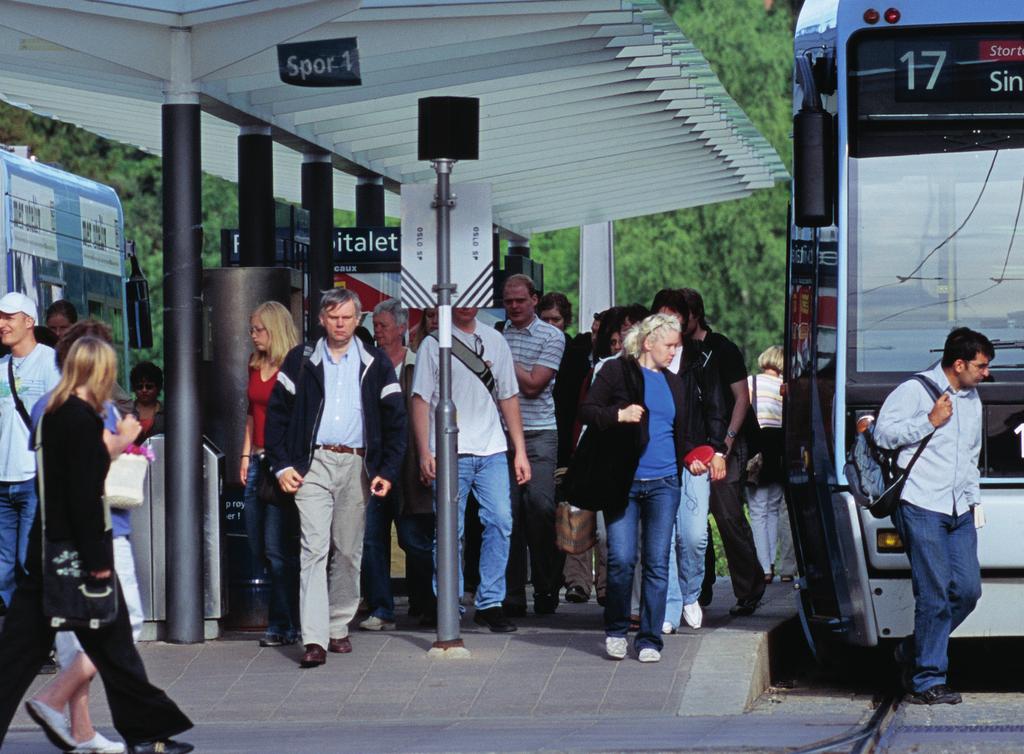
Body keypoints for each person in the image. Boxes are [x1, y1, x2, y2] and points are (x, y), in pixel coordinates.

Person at [0, 337, 194, 754]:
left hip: (49, 551)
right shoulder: (79, 418)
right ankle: (145, 734)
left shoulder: (56, 413)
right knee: (115, 648)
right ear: (98, 371)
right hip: (75, 557)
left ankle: (145, 734)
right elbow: (84, 492)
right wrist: (98, 561)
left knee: (22, 656)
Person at [264, 288, 406, 668]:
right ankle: (314, 639)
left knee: (347, 549)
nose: (340, 324)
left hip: (357, 465)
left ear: (358, 319)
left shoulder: (376, 363)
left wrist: (387, 471)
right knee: (313, 549)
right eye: (333, 317)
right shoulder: (301, 359)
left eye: (347, 317)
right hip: (313, 464)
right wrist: (281, 465)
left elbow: (396, 421)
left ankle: (338, 625)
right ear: (322, 320)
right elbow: (276, 416)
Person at [27, 320, 147, 754]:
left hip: (74, 534)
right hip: (98, 532)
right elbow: (86, 465)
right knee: (124, 622)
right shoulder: (77, 410)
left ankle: (79, 730)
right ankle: (53, 698)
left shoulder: (53, 405)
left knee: (78, 633)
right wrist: (123, 443)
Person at [578, 314, 723, 662]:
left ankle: (649, 639)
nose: (675, 351)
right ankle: (615, 629)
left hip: (664, 484)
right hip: (623, 482)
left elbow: (683, 434)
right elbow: (587, 410)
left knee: (657, 562)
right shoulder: (616, 372)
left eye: (677, 346)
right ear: (648, 342)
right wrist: (618, 415)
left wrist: (694, 459)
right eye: (670, 345)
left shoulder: (675, 384)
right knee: (623, 559)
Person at [875, 327, 990, 705]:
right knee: (935, 591)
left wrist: (974, 503)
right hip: (921, 504)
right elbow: (882, 435)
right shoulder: (913, 390)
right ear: (958, 364)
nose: (985, 373)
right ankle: (928, 679)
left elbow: (970, 455)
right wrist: (929, 420)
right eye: (981, 366)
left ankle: (912, 649)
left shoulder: (973, 398)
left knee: (968, 590)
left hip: (959, 507)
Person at [411, 306, 530, 632]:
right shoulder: (433, 344)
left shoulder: (495, 340)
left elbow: (508, 396)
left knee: (501, 521)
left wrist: (519, 450)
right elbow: (420, 400)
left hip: (492, 448)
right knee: (450, 531)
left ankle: (490, 602)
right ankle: (448, 602)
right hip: (450, 450)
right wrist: (425, 450)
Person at [679, 288, 766, 616]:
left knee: (727, 516)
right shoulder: (678, 351)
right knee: (693, 518)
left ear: (695, 314)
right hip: (691, 444)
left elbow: (742, 399)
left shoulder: (722, 348)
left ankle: (749, 587)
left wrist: (727, 445)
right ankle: (700, 587)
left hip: (725, 443)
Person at [360, 299, 436, 630]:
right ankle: (381, 607)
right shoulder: (366, 366)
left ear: (402, 328)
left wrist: (426, 456)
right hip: (374, 466)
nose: (378, 332)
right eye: (375, 326)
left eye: (384, 326)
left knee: (413, 539)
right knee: (372, 538)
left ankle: (425, 602)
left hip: (409, 468)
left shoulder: (417, 365)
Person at [502, 274, 565, 615]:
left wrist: (501, 359)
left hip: (539, 431)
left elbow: (532, 385)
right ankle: (513, 594)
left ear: (534, 300)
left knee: (539, 506)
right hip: (500, 435)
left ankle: (546, 583)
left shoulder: (551, 336)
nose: (513, 306)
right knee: (506, 513)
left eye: (519, 300)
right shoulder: (497, 333)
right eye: (508, 301)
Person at [240, 301, 301, 648]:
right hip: (257, 461)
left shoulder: (293, 365)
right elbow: (251, 412)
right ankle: (287, 615)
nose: (253, 335)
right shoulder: (254, 364)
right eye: (251, 329)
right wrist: (244, 454)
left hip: (281, 463)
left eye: (258, 329)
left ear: (274, 329)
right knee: (257, 543)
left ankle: (282, 623)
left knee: (279, 549)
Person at [0, 292, 60, 618]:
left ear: (28, 321)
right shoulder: (1, 368)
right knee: (3, 571)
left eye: (9, 317)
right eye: (0, 317)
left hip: (33, 479)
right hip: (2, 481)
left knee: (28, 559)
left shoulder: (50, 362)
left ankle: (40, 633)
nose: (2, 324)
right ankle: (23, 633)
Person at [746, 345, 793, 583]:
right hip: (779, 450)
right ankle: (773, 563)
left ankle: (763, 566)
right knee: (773, 508)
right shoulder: (786, 387)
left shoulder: (751, 382)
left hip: (757, 450)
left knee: (758, 511)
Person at [129, 362, 165, 442]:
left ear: (158, 387)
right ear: (134, 389)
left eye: (149, 386)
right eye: (139, 387)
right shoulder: (127, 412)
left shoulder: (167, 413)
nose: (144, 390)